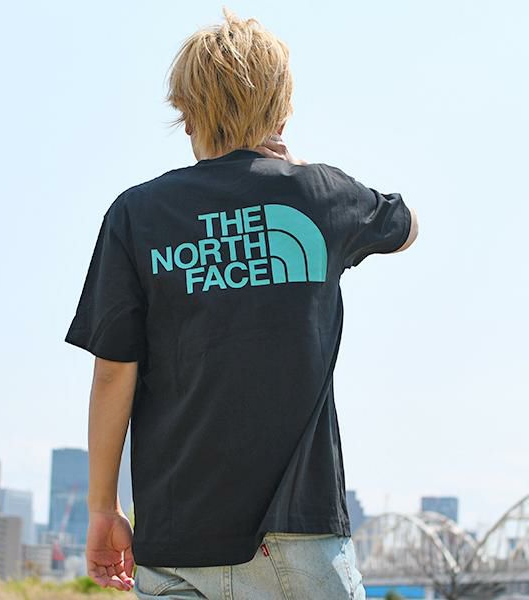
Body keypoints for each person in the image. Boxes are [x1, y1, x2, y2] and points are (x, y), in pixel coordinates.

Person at [64, 6, 419, 599]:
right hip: (297, 534)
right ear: (282, 111)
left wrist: (104, 507)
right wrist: (300, 167)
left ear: (184, 113)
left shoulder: (137, 214)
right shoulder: (318, 194)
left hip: (175, 545)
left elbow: (112, 373)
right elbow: (406, 227)